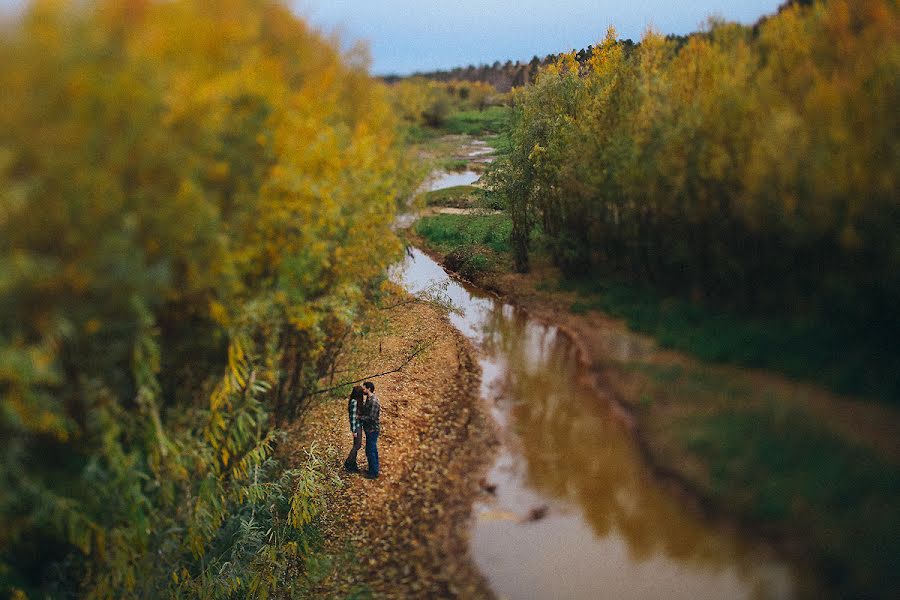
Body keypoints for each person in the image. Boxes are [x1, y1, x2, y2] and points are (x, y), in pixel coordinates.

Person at [359, 381, 381, 479]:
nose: (363, 390)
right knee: (372, 450)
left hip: (373, 430)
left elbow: (371, 417)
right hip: (369, 429)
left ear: (369, 389)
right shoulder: (368, 399)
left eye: (364, 389)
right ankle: (374, 469)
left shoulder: (374, 401)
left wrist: (359, 417)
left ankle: (373, 473)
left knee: (370, 451)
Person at [343, 385, 365, 472]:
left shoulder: (355, 401)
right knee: (357, 445)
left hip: (358, 425)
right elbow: (352, 418)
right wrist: (354, 430)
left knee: (356, 445)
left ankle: (353, 464)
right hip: (356, 427)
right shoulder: (354, 402)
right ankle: (348, 463)